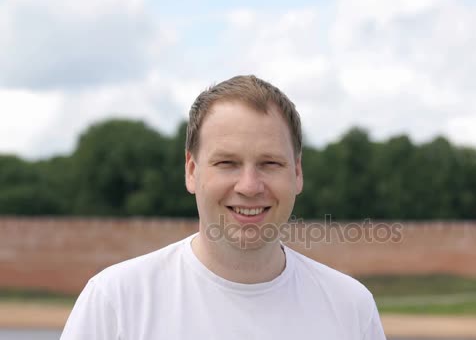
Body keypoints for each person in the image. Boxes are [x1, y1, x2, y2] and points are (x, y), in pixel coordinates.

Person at [60, 75, 386, 339]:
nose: (249, 185)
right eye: (227, 162)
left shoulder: (351, 308)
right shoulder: (117, 302)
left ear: (298, 173)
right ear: (191, 171)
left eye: (270, 163)